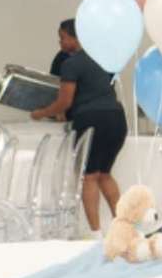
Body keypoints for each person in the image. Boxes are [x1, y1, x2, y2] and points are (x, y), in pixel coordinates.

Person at [40, 17, 131, 231]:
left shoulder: (70, 64)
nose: (60, 43)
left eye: (63, 38)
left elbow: (65, 101)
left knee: (89, 177)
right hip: (117, 118)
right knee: (105, 175)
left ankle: (95, 233)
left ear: (76, 38)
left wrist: (41, 112)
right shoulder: (103, 60)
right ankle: (125, 228)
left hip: (92, 120)